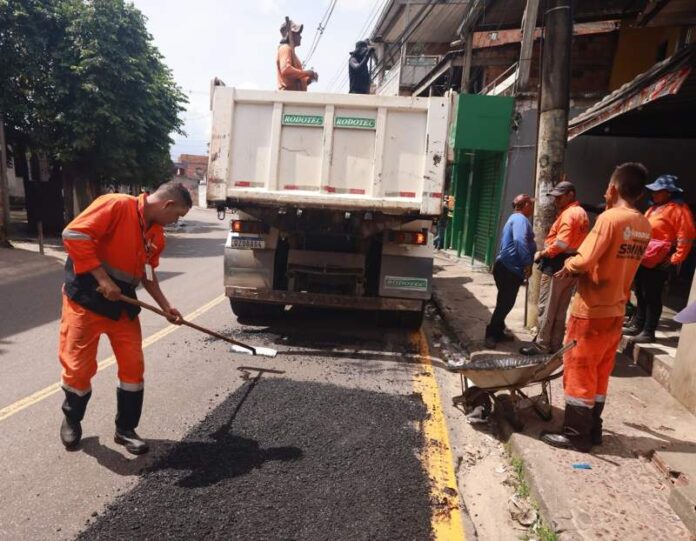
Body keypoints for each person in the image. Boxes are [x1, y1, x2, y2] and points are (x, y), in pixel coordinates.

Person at [59, 182, 192, 454]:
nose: (175, 221)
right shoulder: (117, 205)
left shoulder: (156, 235)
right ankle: (72, 419)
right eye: (177, 215)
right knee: (79, 368)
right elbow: (74, 233)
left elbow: (147, 274)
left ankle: (125, 429)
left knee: (133, 367)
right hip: (86, 298)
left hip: (122, 302)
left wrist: (166, 307)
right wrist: (103, 279)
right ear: (167, 205)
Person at [541, 163, 651, 452]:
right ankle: (593, 429)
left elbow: (584, 260)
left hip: (591, 310)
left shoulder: (609, 219)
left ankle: (575, 434)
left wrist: (568, 264)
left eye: (606, 188)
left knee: (579, 369)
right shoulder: (644, 224)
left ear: (613, 189)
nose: (604, 192)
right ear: (640, 193)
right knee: (600, 371)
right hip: (616, 310)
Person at [623, 174, 696, 343]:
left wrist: (675, 258)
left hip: (661, 260)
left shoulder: (679, 210)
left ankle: (648, 332)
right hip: (644, 256)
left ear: (668, 192)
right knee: (640, 292)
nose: (654, 193)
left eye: (658, 191)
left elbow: (686, 236)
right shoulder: (654, 208)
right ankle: (638, 325)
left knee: (652, 295)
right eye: (653, 191)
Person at [521, 181, 589, 355]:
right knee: (560, 308)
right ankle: (556, 345)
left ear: (571, 195)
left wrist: (542, 253)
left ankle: (542, 345)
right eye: (555, 197)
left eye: (560, 197)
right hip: (571, 265)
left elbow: (561, 243)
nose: (556, 200)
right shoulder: (581, 213)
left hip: (557, 264)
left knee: (547, 307)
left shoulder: (569, 214)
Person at [484, 194, 536, 349]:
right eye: (531, 205)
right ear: (525, 205)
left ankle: (498, 332)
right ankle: (491, 334)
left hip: (506, 267)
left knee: (504, 302)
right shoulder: (520, 219)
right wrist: (527, 262)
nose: (533, 209)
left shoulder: (515, 218)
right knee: (506, 303)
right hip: (509, 268)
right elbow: (519, 241)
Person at [276, 18, 318, 91]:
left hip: (295, 95)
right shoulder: (285, 48)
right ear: (290, 35)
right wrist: (306, 73)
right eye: (298, 33)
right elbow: (286, 70)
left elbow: (297, 81)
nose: (300, 37)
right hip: (288, 95)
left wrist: (309, 78)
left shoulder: (293, 54)